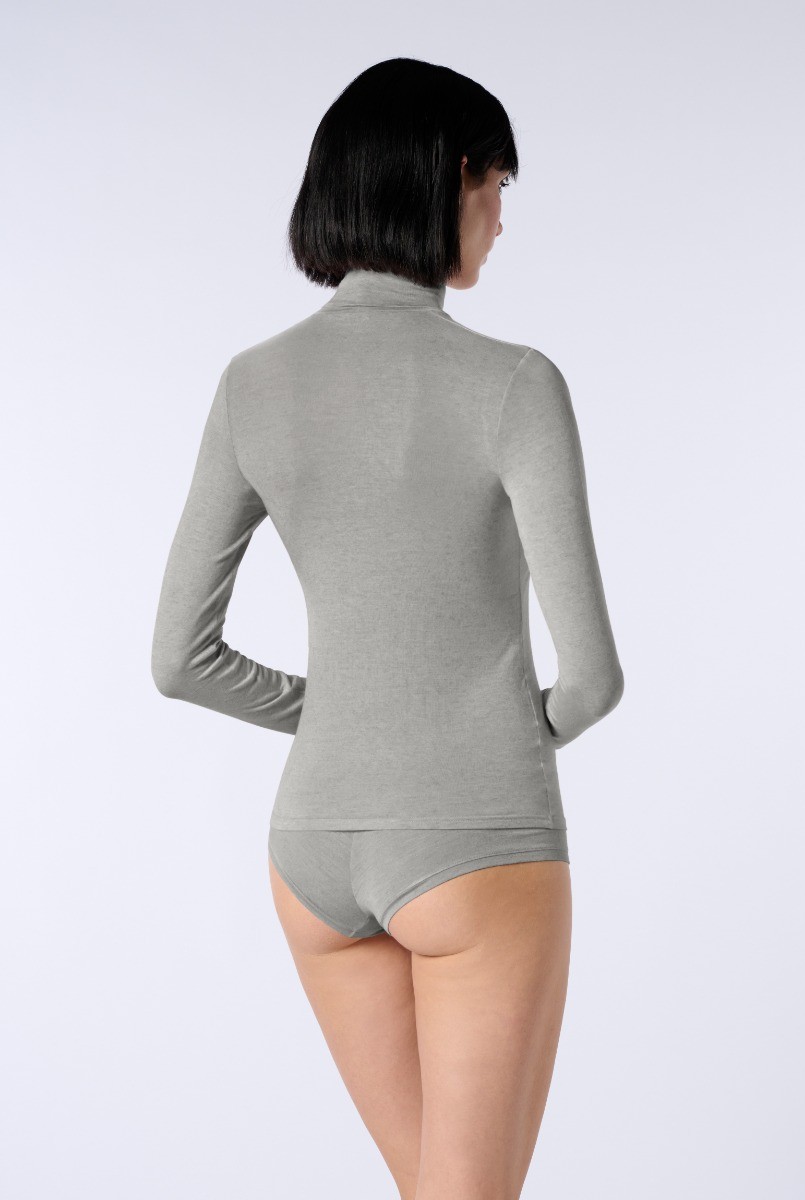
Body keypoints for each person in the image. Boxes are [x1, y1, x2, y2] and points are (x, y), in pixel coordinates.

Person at [151, 56, 624, 1200]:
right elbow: (593, 679)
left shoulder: (252, 385)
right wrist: (485, 743)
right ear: (449, 179)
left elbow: (178, 660)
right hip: (476, 840)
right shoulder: (514, 384)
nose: (502, 219)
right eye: (497, 186)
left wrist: (340, 715)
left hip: (311, 851)